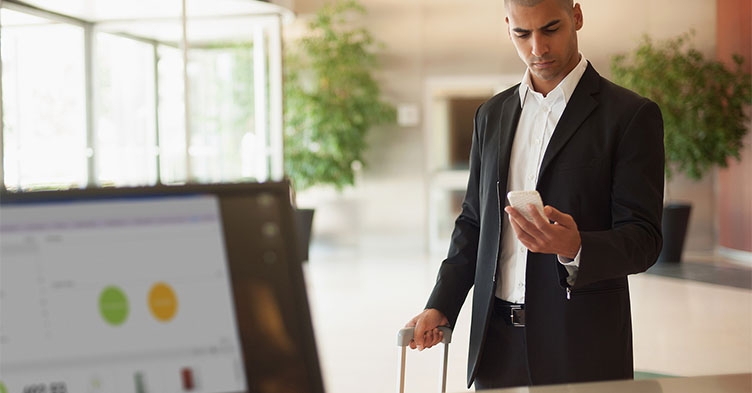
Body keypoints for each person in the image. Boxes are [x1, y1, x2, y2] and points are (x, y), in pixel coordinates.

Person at [405, 0, 665, 390]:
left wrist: (577, 246)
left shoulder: (629, 115)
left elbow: (645, 239)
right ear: (507, 25)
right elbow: (474, 222)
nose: (537, 48)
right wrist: (440, 303)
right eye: (522, 34)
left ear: (576, 17)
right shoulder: (490, 115)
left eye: (551, 29)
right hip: (495, 345)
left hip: (581, 344)